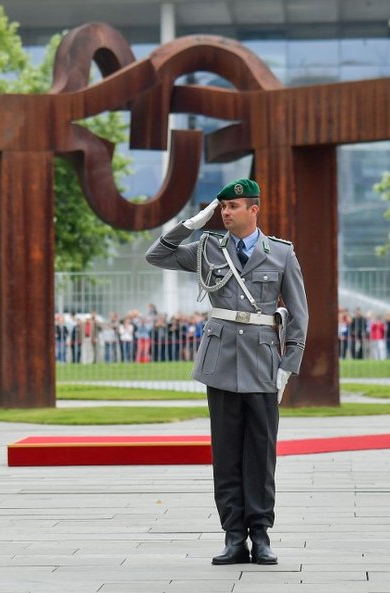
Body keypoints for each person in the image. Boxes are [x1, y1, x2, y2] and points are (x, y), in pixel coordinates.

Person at [145, 178, 308, 566]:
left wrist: (289, 365)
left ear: (253, 209)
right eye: (221, 208)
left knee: (261, 453)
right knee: (226, 454)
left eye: (232, 207)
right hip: (220, 363)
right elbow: (156, 255)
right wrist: (191, 224)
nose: (224, 213)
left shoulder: (282, 254)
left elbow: (299, 314)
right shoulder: (207, 248)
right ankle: (234, 536)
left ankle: (261, 534)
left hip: (264, 364)